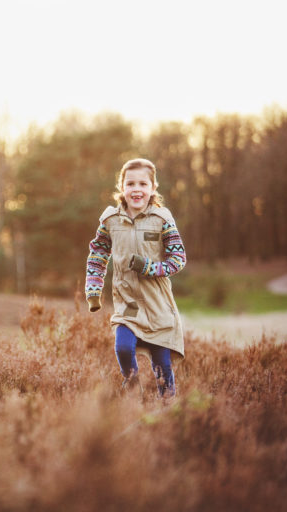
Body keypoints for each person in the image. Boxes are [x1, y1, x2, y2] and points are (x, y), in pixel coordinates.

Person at [85, 158, 187, 399]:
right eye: (130, 183)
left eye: (143, 183)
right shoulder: (110, 221)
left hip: (157, 304)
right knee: (122, 346)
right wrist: (93, 290)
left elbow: (178, 259)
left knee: (162, 366)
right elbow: (97, 254)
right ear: (122, 187)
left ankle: (168, 409)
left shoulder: (162, 219)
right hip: (128, 303)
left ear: (153, 188)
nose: (137, 189)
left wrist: (149, 267)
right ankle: (132, 389)